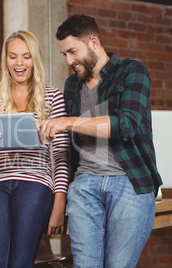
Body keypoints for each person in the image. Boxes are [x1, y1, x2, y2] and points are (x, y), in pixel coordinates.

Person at [39, 14, 163, 268]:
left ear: (93, 42)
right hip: (85, 184)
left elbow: (126, 124)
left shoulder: (132, 71)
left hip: (129, 182)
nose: (69, 61)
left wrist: (69, 121)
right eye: (64, 54)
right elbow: (68, 148)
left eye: (72, 52)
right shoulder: (72, 85)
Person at [0, 30, 70, 268]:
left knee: (20, 262)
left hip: (36, 182)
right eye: (13, 57)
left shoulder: (52, 97)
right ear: (5, 60)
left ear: (35, 59)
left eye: (26, 56)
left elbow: (62, 154)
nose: (19, 63)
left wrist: (59, 201)